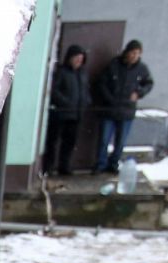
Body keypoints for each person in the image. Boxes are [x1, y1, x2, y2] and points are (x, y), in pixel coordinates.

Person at [93, 39, 153, 174]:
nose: (134, 56)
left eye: (137, 54)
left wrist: (139, 93)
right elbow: (102, 83)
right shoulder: (114, 65)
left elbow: (149, 84)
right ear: (127, 52)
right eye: (132, 53)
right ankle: (100, 164)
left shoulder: (142, 69)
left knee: (120, 142)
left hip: (127, 111)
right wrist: (109, 98)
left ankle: (113, 164)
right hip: (110, 109)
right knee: (103, 140)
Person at [42, 45, 90, 176]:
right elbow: (54, 91)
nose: (78, 62)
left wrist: (86, 101)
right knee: (53, 142)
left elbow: (85, 90)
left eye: (81, 59)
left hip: (76, 115)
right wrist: (65, 103)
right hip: (60, 114)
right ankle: (49, 167)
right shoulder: (61, 72)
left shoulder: (83, 74)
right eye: (76, 58)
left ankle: (65, 167)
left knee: (69, 143)